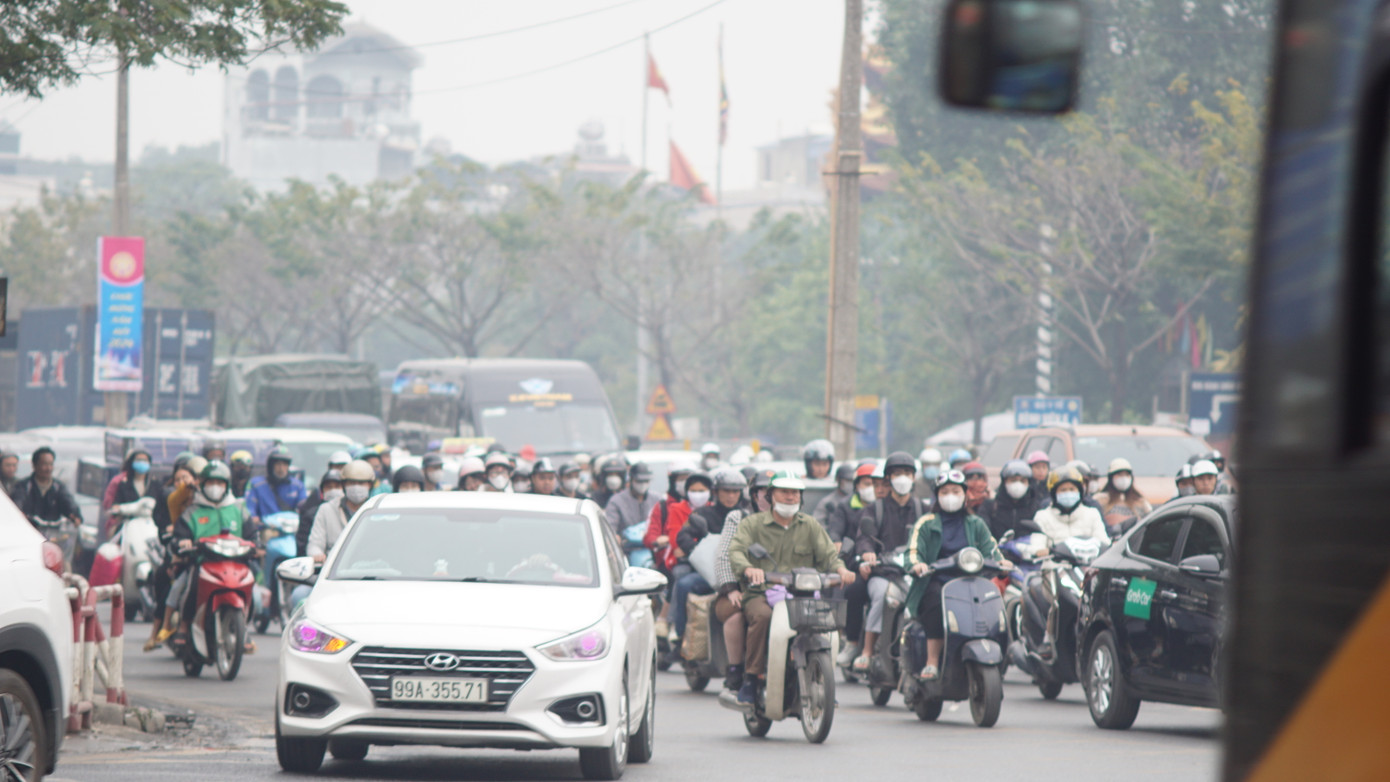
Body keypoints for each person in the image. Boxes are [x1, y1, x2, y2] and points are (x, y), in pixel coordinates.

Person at [727, 471, 856, 704]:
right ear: (771, 495)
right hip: (762, 592)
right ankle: (751, 678)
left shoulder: (810, 526)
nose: (790, 497)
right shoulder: (752, 524)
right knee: (762, 617)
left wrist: (842, 570)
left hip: (804, 593)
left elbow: (829, 556)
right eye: (784, 492)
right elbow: (736, 551)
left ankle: (823, 681)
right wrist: (748, 569)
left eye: (795, 492)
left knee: (825, 623)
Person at [905, 469, 1005, 680]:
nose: (951, 496)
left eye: (956, 491)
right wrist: (918, 565)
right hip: (936, 581)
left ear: (964, 495)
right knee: (933, 602)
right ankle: (932, 661)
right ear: (937, 496)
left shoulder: (975, 523)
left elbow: (992, 549)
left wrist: (1001, 562)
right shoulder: (926, 523)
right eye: (946, 492)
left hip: (971, 581)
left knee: (991, 603)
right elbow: (913, 552)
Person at [851, 452, 928, 672]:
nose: (902, 478)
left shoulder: (924, 509)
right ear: (889, 478)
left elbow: (934, 538)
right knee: (882, 597)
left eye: (906, 473)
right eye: (897, 474)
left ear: (913, 477)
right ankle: (867, 650)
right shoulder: (874, 509)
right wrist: (867, 554)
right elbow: (864, 538)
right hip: (883, 572)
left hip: (914, 573)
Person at [168, 461, 253, 649]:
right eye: (210, 482)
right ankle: (183, 625)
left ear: (227, 486)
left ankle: (244, 627)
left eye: (220, 483)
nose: (215, 487)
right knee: (192, 584)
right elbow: (179, 536)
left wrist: (257, 545)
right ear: (202, 484)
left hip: (235, 563)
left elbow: (251, 534)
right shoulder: (193, 512)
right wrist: (183, 542)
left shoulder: (238, 510)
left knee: (251, 583)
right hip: (203, 562)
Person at [1028, 466, 1108, 660]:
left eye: (1072, 490)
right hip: (1056, 571)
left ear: (1080, 491)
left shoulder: (1091, 514)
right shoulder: (1043, 516)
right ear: (1054, 493)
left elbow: (1103, 541)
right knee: (1056, 601)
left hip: (1088, 571)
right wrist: (1044, 550)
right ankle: (1048, 638)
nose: (1068, 494)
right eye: (1063, 490)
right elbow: (1036, 546)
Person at [692, 469, 750, 691]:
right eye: (726, 491)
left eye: (736, 491)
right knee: (685, 583)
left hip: (766, 588)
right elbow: (724, 555)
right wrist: (730, 587)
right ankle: (735, 668)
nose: (731, 496)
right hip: (714, 574)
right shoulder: (734, 518)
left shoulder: (770, 520)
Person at [647, 472, 714, 663]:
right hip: (682, 561)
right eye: (694, 491)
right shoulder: (676, 508)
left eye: (702, 490)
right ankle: (677, 629)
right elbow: (677, 541)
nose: (698, 494)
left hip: (710, 562)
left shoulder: (713, 510)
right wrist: (694, 549)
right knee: (681, 578)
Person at [831, 461, 878, 666]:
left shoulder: (885, 507)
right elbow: (835, 533)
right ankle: (851, 641)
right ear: (857, 485)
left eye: (875, 483)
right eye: (866, 483)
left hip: (888, 565)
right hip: (855, 563)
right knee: (854, 591)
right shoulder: (845, 507)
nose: (871, 488)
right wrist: (838, 548)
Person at [306, 460, 376, 562]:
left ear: (370, 485)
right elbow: (315, 544)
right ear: (344, 485)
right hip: (335, 570)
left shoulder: (377, 511)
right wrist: (317, 555)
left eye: (361, 483)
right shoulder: (327, 510)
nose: (356, 487)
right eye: (352, 483)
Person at [11, 446, 82, 533]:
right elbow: (18, 502)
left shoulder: (58, 487)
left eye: (51, 464)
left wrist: (75, 516)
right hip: (29, 533)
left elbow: (68, 502)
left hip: (54, 534)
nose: (48, 468)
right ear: (34, 465)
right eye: (44, 464)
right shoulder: (24, 486)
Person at [980, 459, 1045, 541]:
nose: (1018, 484)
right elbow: (983, 534)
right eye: (1013, 480)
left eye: (1022, 481)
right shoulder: (990, 507)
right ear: (1004, 482)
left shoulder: (1036, 508)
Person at [244, 446, 307, 530]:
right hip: (266, 531)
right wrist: (255, 519)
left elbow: (304, 509)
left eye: (285, 464)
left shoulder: (297, 485)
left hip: (291, 531)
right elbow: (250, 510)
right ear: (271, 466)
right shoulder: (256, 484)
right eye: (278, 464)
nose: (281, 468)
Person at [104, 449, 154, 537]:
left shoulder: (154, 484)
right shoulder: (122, 483)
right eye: (138, 460)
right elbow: (112, 504)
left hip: (149, 526)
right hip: (127, 525)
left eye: (145, 460)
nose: (142, 463)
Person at [1096, 457, 1153, 532]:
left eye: (1126, 475)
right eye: (1119, 475)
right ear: (1111, 477)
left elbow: (1150, 522)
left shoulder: (1140, 501)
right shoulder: (1101, 500)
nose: (1123, 478)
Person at [296, 469, 343, 558]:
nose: (333, 490)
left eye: (337, 486)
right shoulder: (310, 515)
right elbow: (304, 546)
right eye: (329, 487)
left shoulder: (348, 512)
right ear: (322, 491)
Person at [607, 462, 658, 540]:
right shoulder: (616, 501)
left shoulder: (657, 500)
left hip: (653, 547)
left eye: (646, 481)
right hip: (625, 549)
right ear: (631, 480)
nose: (642, 484)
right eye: (639, 481)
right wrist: (615, 538)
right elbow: (611, 528)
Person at [813, 462, 855, 530]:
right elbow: (817, 524)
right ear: (838, 480)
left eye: (852, 481)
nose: (850, 484)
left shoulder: (858, 500)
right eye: (847, 480)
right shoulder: (827, 502)